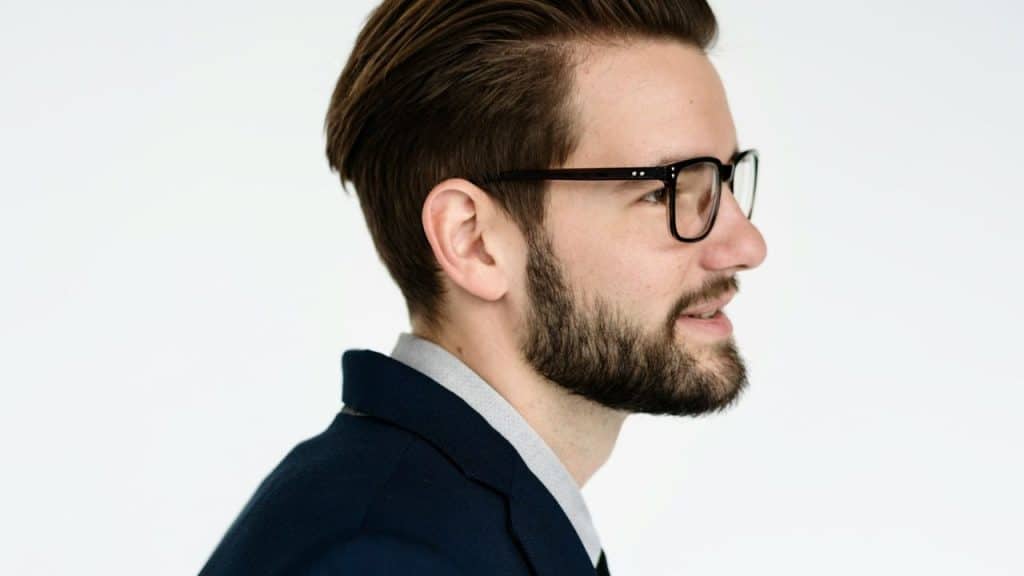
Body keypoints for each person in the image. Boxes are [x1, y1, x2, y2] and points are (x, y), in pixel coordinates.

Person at [200, 0, 766, 574]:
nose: (747, 246)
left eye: (722, 179)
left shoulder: (438, 519)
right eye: (664, 192)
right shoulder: (388, 555)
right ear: (473, 240)